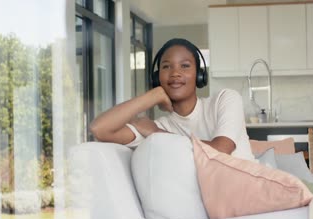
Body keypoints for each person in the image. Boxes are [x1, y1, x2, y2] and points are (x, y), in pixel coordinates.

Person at [90, 38, 254, 160]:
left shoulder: (225, 99)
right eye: (166, 66)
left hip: (254, 191)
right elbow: (99, 129)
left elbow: (221, 150)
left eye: (185, 66)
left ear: (199, 75)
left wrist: (158, 133)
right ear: (157, 78)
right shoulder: (158, 125)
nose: (175, 73)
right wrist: (152, 96)